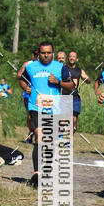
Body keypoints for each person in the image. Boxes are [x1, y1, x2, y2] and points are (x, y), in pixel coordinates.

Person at [18, 41, 74, 188]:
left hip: (54, 107)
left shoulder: (60, 67)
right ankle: (37, 174)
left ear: (53, 53)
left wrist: (58, 82)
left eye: (49, 53)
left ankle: (47, 172)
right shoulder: (31, 67)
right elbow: (21, 79)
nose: (46, 55)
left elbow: (71, 86)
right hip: (36, 106)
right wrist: (26, 88)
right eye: (43, 53)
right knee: (39, 137)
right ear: (39, 53)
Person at [63, 50, 91, 132]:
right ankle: (62, 136)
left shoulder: (80, 70)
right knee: (63, 120)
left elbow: (88, 80)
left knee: (73, 119)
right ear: (68, 58)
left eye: (73, 57)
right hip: (64, 97)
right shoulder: (64, 69)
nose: (72, 58)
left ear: (77, 59)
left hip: (75, 97)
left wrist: (87, 79)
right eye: (70, 56)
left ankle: (70, 136)